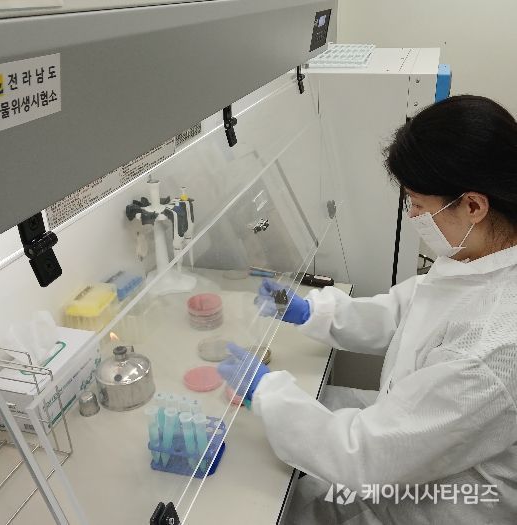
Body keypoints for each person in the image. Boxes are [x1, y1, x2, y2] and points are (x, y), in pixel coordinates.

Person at [219, 95, 517, 524]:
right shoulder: (481, 257)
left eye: (418, 204)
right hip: (418, 443)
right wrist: (311, 311)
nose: (412, 215)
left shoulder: (491, 348)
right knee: (313, 416)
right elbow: (406, 314)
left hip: (442, 504)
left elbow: (366, 457)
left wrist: (266, 391)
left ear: (473, 205)